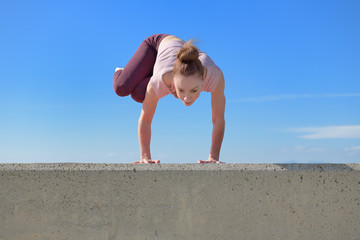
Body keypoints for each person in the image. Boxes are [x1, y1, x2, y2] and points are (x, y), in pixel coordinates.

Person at [113, 34, 225, 164]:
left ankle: (146, 73)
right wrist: (145, 157)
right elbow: (146, 119)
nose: (187, 98)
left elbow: (218, 119)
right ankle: (125, 71)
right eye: (181, 90)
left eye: (194, 90)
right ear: (173, 84)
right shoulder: (159, 81)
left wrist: (214, 157)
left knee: (138, 94)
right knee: (121, 87)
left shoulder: (215, 77)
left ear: (203, 80)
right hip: (156, 46)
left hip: (175, 59)